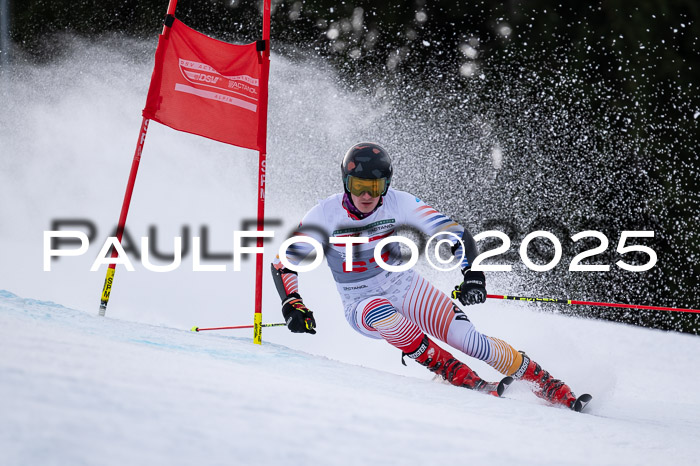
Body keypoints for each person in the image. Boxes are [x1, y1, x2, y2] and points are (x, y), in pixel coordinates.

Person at [271, 142, 590, 411]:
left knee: (472, 341)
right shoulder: (324, 215)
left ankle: (550, 387)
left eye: (375, 187)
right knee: (383, 314)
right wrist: (293, 304)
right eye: (358, 187)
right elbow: (283, 262)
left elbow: (455, 234)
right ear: (346, 183)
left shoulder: (400, 203)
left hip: (405, 287)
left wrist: (472, 273)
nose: (366, 196)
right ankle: (462, 378)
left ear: (386, 185)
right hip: (361, 303)